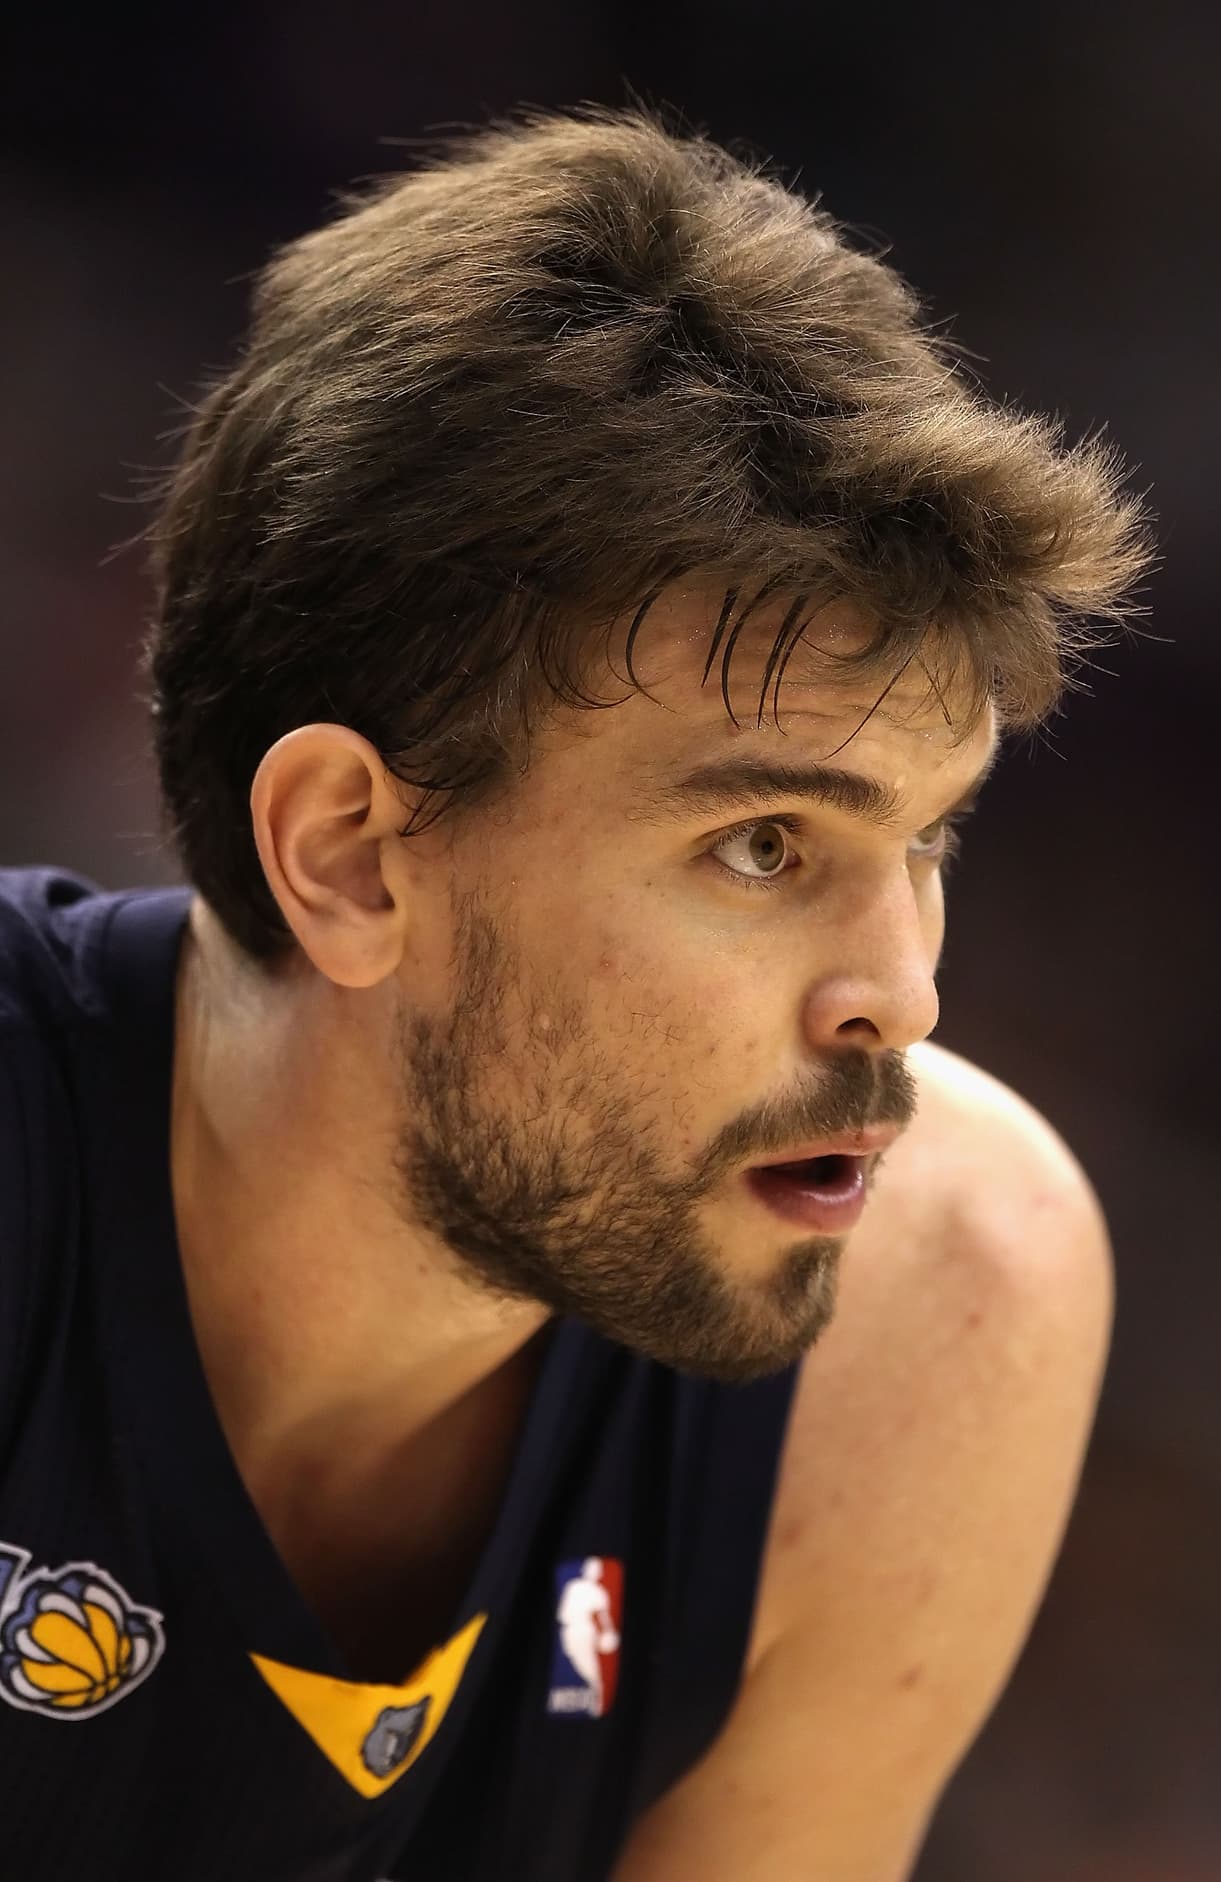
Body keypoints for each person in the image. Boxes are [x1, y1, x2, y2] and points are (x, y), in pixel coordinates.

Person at [0, 103, 1151, 1881]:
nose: (902, 998)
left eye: (928, 837)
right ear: (352, 854)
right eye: (765, 844)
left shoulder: (947, 1299)